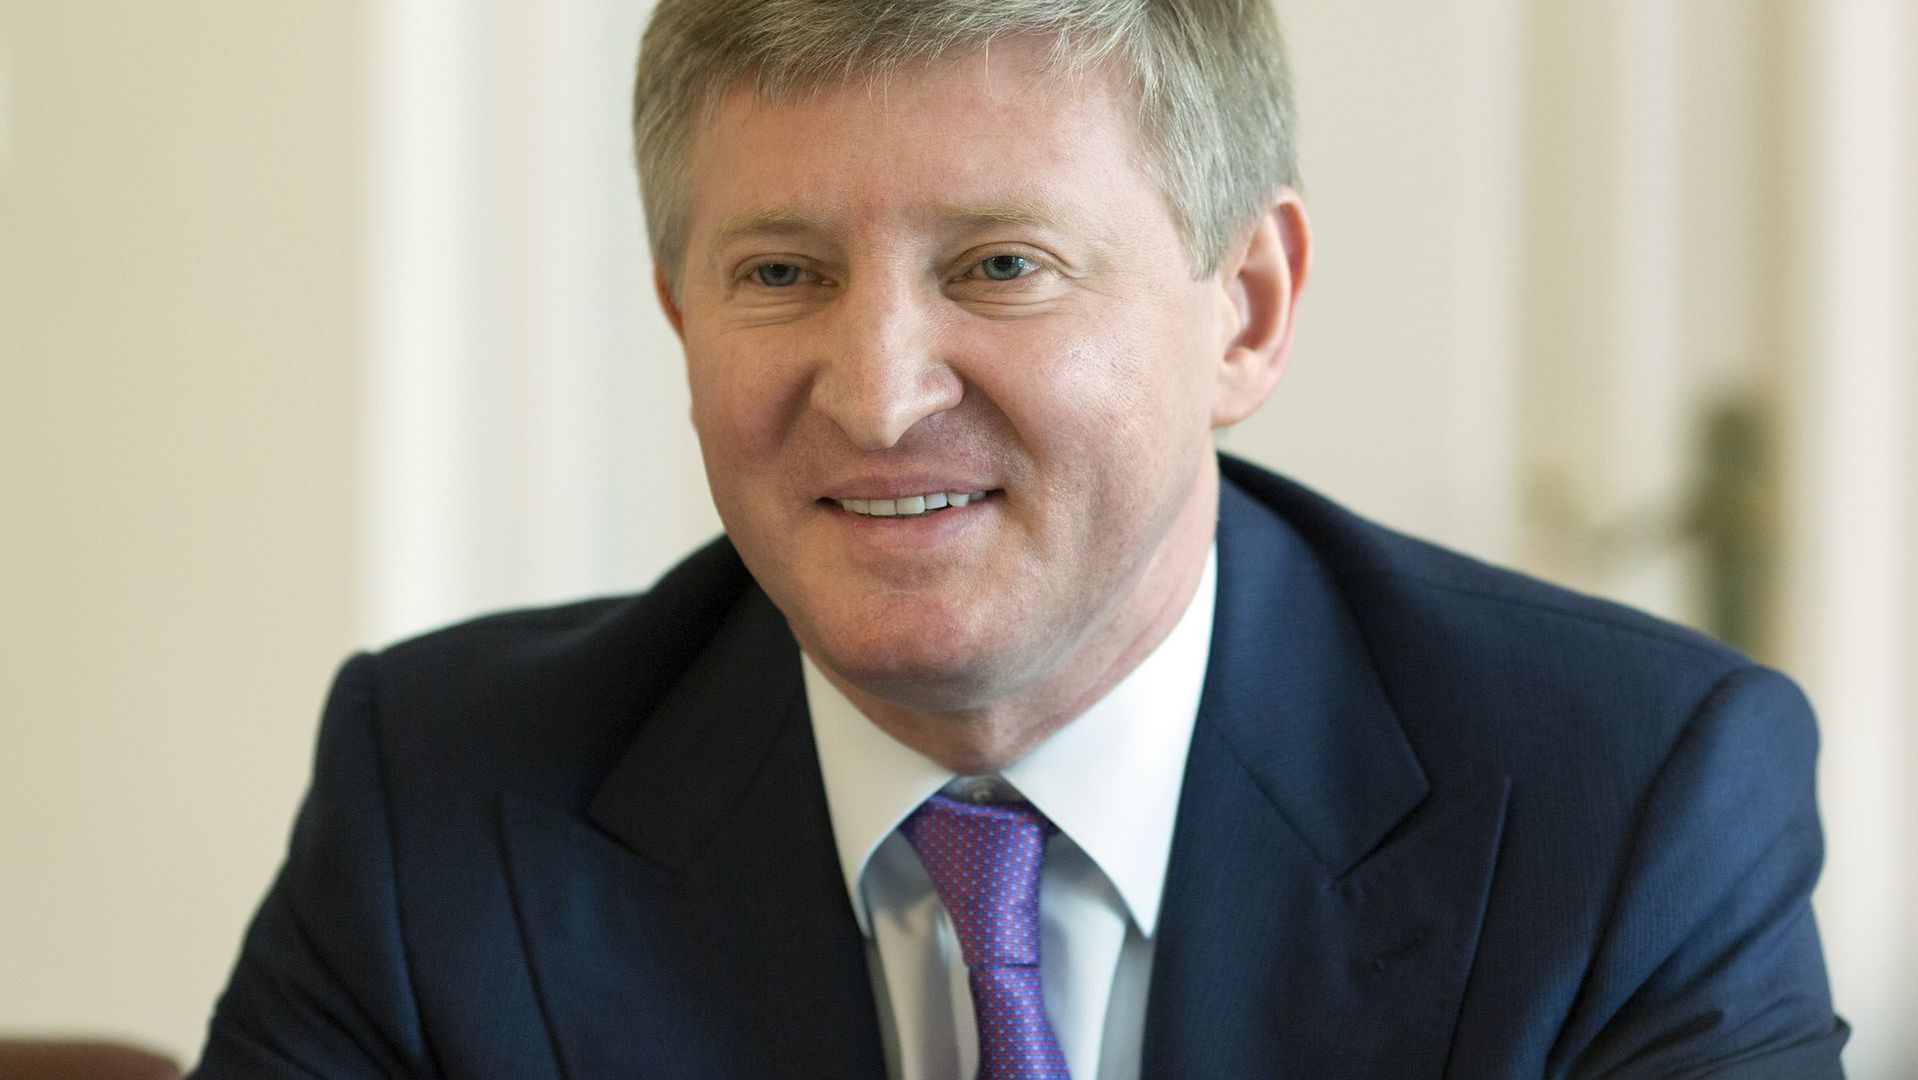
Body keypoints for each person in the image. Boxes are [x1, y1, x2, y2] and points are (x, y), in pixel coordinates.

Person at [190, 2, 1848, 1077]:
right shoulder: (445, 802)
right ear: (678, 311)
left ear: (1245, 308)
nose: (877, 396)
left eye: (999, 267)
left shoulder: (1624, 802)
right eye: (781, 273)